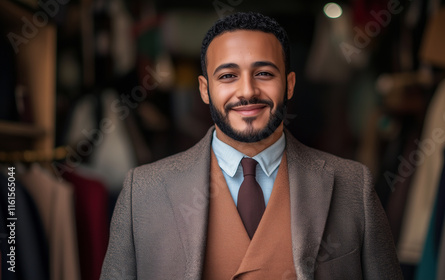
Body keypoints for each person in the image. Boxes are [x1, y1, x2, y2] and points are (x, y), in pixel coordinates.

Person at [100, 12, 402, 279]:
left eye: (264, 74)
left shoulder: (353, 186)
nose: (247, 91)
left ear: (290, 84)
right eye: (228, 76)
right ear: (205, 89)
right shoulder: (143, 193)